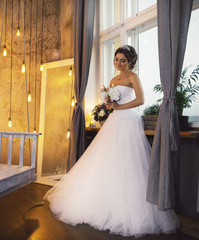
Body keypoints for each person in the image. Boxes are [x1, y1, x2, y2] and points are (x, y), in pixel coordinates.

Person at [44, 45, 179, 237]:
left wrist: (119, 106)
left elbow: (141, 100)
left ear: (130, 61)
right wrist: (110, 104)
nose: (119, 63)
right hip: (114, 120)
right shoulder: (113, 80)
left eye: (123, 60)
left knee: (128, 162)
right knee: (107, 160)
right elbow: (112, 103)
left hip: (128, 121)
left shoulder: (133, 77)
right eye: (116, 60)